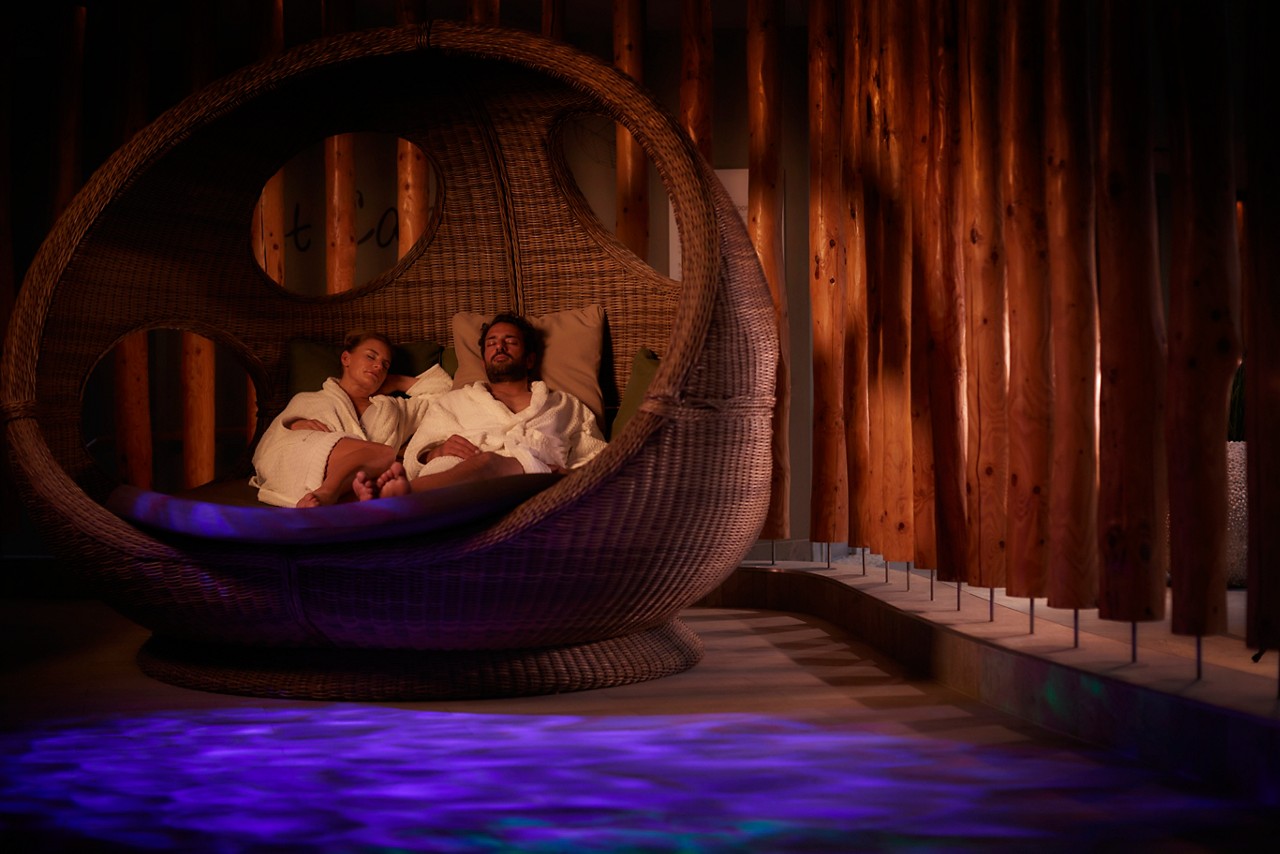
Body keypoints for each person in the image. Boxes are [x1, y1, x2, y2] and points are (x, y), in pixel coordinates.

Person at [355, 313, 607, 500]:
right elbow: (413, 459)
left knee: (487, 463)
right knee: (459, 467)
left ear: (530, 359)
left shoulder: (565, 406)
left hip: (534, 484)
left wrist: (562, 474)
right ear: (485, 363)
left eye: (511, 342)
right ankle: (406, 503)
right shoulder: (453, 402)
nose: (500, 346)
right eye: (492, 343)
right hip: (452, 477)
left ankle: (400, 500)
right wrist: (436, 453)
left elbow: (598, 460)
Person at [250, 331, 451, 507]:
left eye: (385, 364)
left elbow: (445, 394)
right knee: (384, 455)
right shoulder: (309, 399)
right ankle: (327, 493)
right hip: (309, 462)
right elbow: (269, 446)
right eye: (371, 357)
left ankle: (330, 502)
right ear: (346, 358)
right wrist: (294, 425)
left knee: (383, 469)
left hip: (359, 478)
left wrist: (398, 381)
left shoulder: (394, 410)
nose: (378, 366)